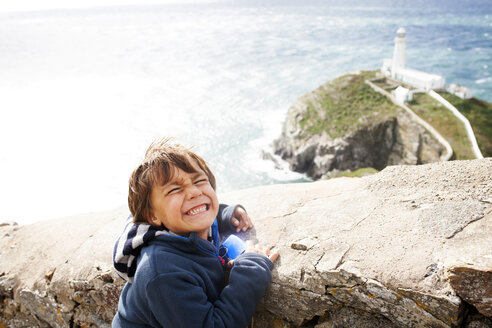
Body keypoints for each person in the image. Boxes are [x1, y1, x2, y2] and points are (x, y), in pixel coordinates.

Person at [112, 138, 278, 328]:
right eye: (175, 189)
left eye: (199, 181)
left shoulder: (187, 226)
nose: (194, 192)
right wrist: (251, 272)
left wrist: (224, 215)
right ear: (152, 216)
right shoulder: (162, 272)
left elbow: (199, 213)